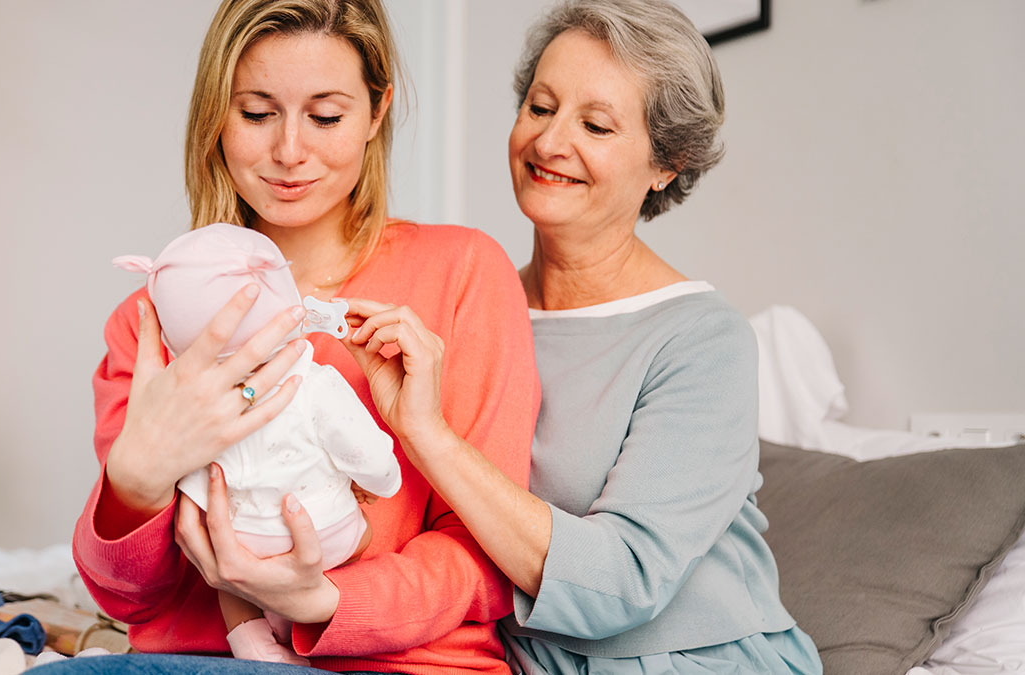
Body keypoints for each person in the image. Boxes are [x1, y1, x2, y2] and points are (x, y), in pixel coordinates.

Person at [50, 0, 539, 673]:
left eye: (326, 115)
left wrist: (327, 598)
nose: (289, 150)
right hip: (206, 661)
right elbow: (129, 596)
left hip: (408, 663)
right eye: (256, 113)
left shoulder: (461, 273)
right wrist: (134, 482)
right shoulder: (158, 313)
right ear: (215, 115)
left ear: (376, 112)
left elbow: (484, 557)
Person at [340, 0, 824, 673]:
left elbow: (624, 578)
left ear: (668, 162)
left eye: (595, 125)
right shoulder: (471, 304)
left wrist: (432, 437)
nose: (549, 142)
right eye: (540, 107)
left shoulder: (704, 341)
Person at [111, 223, 402, 665]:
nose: (289, 152)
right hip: (326, 531)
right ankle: (292, 623)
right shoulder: (315, 382)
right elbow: (367, 453)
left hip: (236, 537)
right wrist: (380, 483)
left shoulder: (189, 398)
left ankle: (253, 639)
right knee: (360, 534)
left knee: (222, 554)